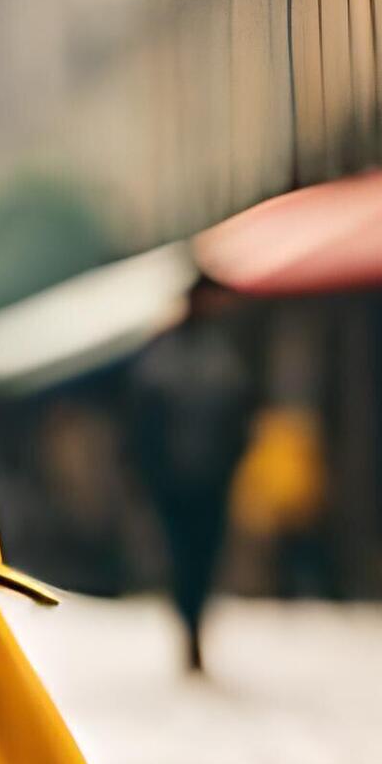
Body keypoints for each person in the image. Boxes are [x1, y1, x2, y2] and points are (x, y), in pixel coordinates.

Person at [125, 283, 257, 675]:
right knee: (185, 555)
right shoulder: (175, 356)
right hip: (177, 479)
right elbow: (144, 423)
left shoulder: (220, 354)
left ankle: (194, 622)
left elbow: (238, 417)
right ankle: (190, 624)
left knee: (201, 555)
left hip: (209, 477)